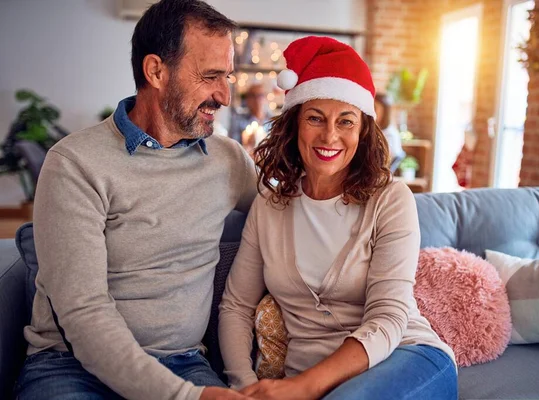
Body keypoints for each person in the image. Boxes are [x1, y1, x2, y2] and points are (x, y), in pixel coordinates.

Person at [14, 1, 257, 399]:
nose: (225, 96)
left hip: (183, 361)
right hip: (70, 367)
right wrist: (185, 397)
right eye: (211, 76)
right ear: (156, 71)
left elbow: (292, 211)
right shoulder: (75, 163)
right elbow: (83, 314)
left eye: (227, 76)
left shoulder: (229, 161)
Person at [218, 36, 457, 400]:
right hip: (307, 383)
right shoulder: (269, 206)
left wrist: (302, 386)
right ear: (295, 124)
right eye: (315, 118)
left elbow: (388, 319)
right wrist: (245, 385)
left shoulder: (390, 200)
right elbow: (236, 305)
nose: (330, 135)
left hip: (406, 357)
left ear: (362, 132)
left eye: (345, 121)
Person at [374, 93, 406, 165]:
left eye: (375, 108)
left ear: (385, 111)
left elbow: (384, 162)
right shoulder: (375, 129)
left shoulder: (390, 134)